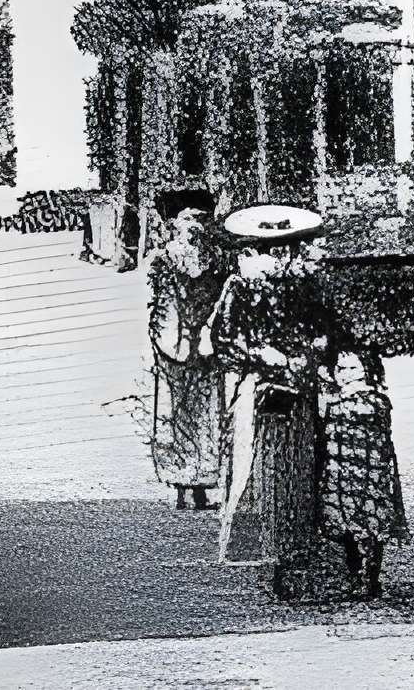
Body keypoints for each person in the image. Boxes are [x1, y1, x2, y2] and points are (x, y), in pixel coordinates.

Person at [211, 202, 354, 602]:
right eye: (271, 249)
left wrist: (313, 353)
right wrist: (262, 355)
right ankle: (273, 561)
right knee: (268, 474)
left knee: (304, 475)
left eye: (288, 248)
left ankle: (302, 558)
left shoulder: (307, 287)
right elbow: (224, 340)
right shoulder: (240, 289)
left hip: (303, 395)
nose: (280, 257)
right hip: (261, 394)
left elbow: (329, 332)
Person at [145, 187, 230, 510]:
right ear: (176, 223)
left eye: (201, 219)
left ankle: (202, 486)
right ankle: (180, 484)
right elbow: (159, 306)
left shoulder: (217, 260)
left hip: (208, 348)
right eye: (189, 219)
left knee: (208, 414)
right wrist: (165, 340)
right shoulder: (164, 259)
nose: (195, 226)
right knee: (175, 413)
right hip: (174, 346)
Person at [317, 345, 407, 598]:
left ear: (366, 370)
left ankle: (370, 579)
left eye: (352, 368)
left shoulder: (374, 402)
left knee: (370, 525)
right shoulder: (331, 402)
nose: (345, 374)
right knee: (344, 526)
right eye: (341, 368)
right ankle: (356, 576)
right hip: (339, 471)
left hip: (369, 473)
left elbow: (380, 441)